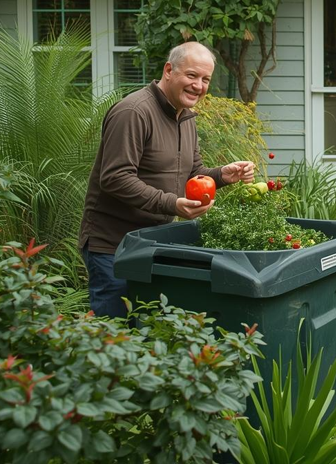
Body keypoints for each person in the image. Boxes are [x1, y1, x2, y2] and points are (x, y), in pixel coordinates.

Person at [78, 42, 256, 318]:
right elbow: (114, 177)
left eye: (205, 79)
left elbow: (193, 172)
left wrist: (222, 175)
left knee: (149, 335)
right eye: (192, 75)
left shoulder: (184, 117)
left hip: (153, 245)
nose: (198, 85)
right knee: (113, 339)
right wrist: (172, 204)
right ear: (169, 70)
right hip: (114, 247)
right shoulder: (133, 113)